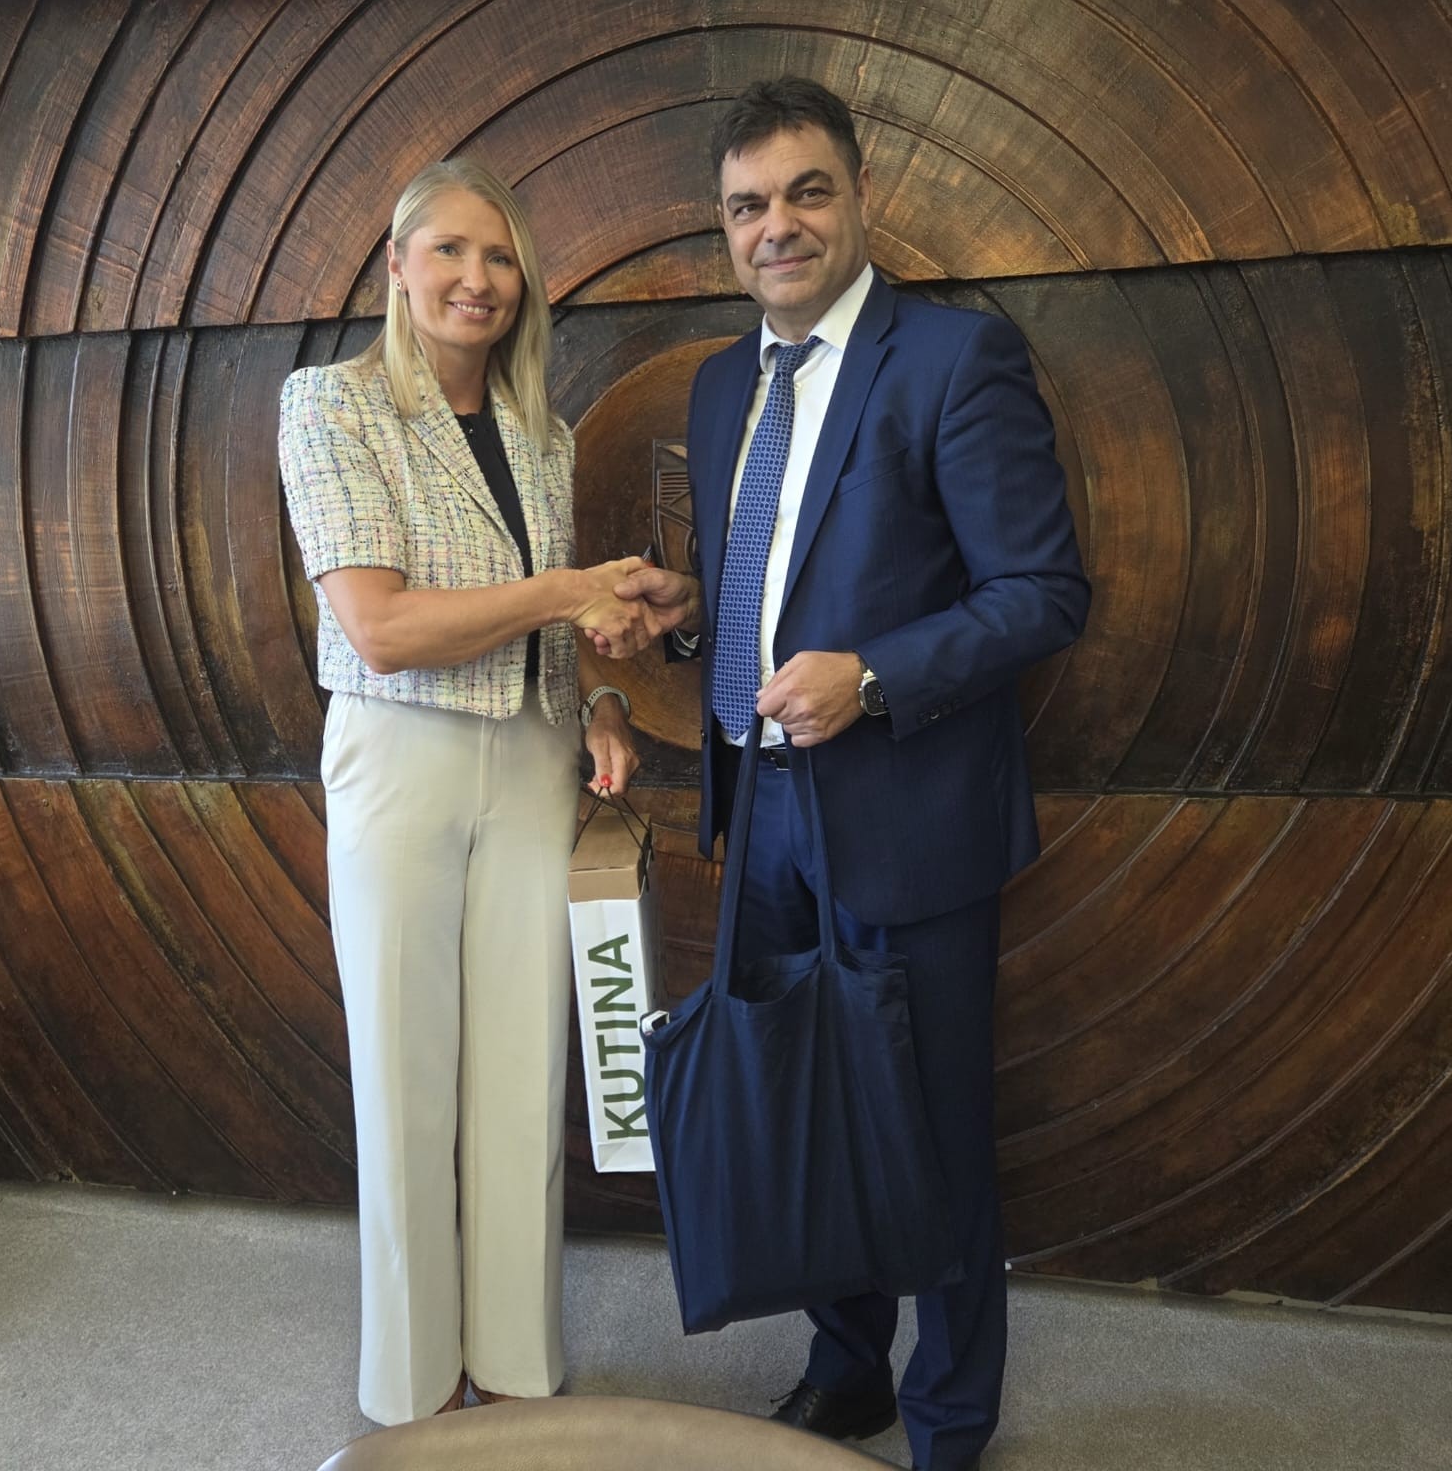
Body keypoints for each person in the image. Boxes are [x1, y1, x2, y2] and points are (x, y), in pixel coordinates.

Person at [612, 79, 1090, 1471]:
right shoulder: (721, 385)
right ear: (725, 228)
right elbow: (776, 579)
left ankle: (948, 1419)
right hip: (757, 807)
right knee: (809, 1098)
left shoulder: (953, 359)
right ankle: (846, 1370)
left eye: (805, 192)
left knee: (930, 1128)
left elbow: (1041, 594)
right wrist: (693, 617)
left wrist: (870, 675)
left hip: (907, 812)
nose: (778, 226)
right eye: (748, 205)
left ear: (860, 196)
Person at [276, 159, 654, 1426]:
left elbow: (555, 632)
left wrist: (599, 704)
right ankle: (409, 1384)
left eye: (499, 259)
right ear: (397, 265)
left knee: (520, 1069)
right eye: (448, 251)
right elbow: (380, 630)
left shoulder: (543, 435)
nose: (475, 279)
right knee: (404, 1074)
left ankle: (516, 1364)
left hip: (534, 758)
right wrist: (565, 592)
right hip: (401, 757)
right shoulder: (328, 406)